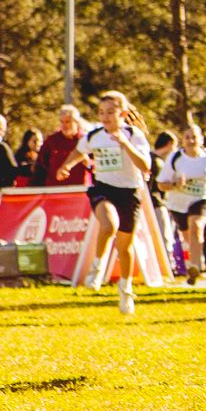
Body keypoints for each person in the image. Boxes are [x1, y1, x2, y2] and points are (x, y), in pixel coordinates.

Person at [64, 91, 153, 315]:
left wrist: (125, 144)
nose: (105, 117)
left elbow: (145, 166)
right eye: (101, 113)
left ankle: (125, 288)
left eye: (110, 113)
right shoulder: (95, 136)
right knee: (108, 225)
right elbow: (78, 150)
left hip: (130, 192)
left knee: (125, 248)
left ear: (122, 113)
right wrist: (66, 165)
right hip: (103, 188)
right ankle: (97, 266)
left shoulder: (134, 135)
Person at [157, 122, 206, 283]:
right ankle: (194, 260)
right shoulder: (176, 157)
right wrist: (175, 185)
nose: (191, 140)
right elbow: (161, 184)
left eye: (194, 137)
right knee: (188, 236)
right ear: (182, 140)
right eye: (187, 137)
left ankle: (195, 266)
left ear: (201, 139)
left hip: (202, 198)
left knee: (197, 227)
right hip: (178, 203)